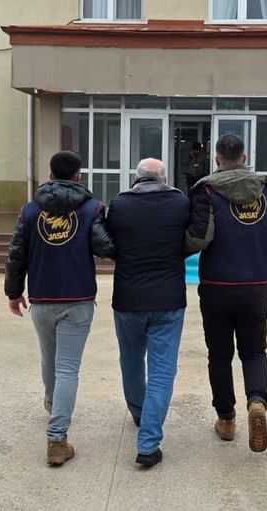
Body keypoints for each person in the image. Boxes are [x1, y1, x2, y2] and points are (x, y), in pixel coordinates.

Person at [5, 151, 114, 467]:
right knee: (67, 368)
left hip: (41, 297)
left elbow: (16, 254)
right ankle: (56, 438)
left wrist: (14, 292)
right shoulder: (92, 209)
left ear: (50, 174)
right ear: (78, 176)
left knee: (49, 358)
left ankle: (55, 405)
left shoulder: (30, 211)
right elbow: (106, 247)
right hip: (77, 298)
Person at [185, 134, 267, 453]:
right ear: (244, 158)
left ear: (217, 160)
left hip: (217, 287)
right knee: (255, 351)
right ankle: (256, 401)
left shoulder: (206, 190)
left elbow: (200, 239)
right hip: (255, 286)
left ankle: (227, 419)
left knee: (219, 355)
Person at [106, 158, 191, 468]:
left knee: (130, 361)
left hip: (128, 298)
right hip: (168, 299)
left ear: (136, 178)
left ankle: (140, 412)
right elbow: (192, 238)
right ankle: (148, 443)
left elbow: (108, 242)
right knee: (162, 372)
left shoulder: (120, 204)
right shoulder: (180, 202)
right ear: (164, 178)